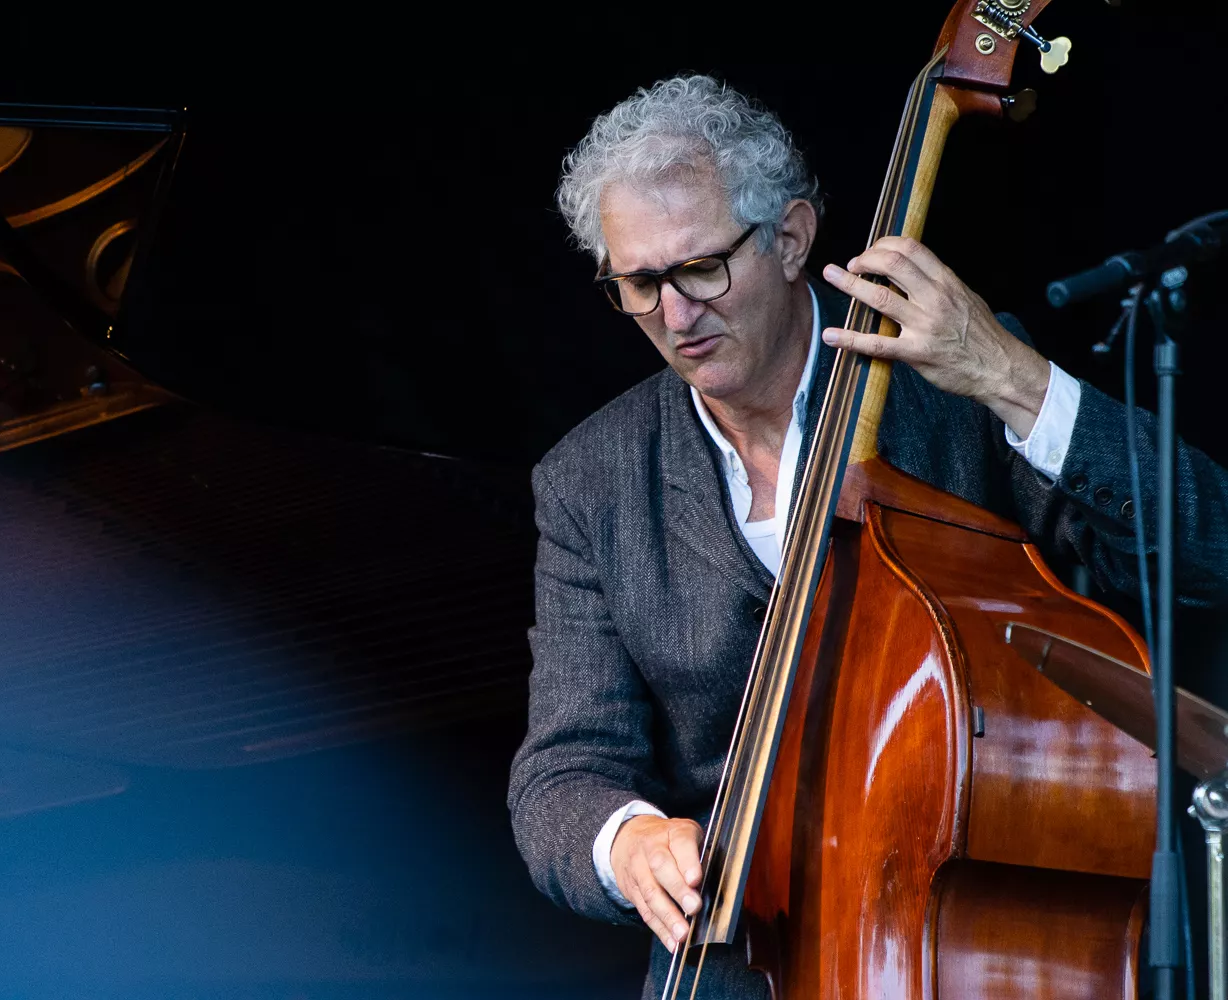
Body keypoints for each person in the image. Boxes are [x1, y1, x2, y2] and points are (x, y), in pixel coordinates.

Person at [506, 75, 1228, 999]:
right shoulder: (589, 480)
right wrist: (627, 841)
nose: (676, 315)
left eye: (701, 269)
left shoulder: (950, 389)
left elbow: (1207, 554)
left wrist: (1012, 378)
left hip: (957, 953)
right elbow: (563, 772)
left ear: (792, 237)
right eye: (639, 284)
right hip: (732, 973)